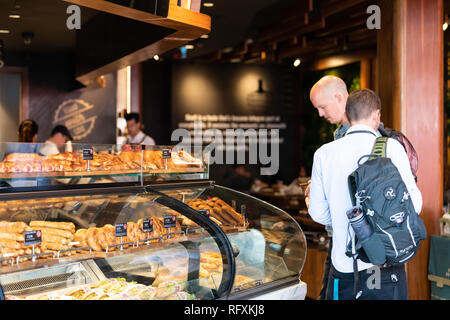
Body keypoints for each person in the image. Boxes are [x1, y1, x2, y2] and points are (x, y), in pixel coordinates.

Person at [308, 89, 422, 300]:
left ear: (348, 116)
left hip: (345, 267)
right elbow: (415, 205)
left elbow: (318, 214)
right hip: (387, 262)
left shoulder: (324, 153)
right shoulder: (393, 148)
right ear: (376, 115)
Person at [307, 75, 350, 299]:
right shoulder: (340, 134)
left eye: (322, 107)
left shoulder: (354, 137)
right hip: (340, 238)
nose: (320, 114)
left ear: (339, 97)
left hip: (350, 242)